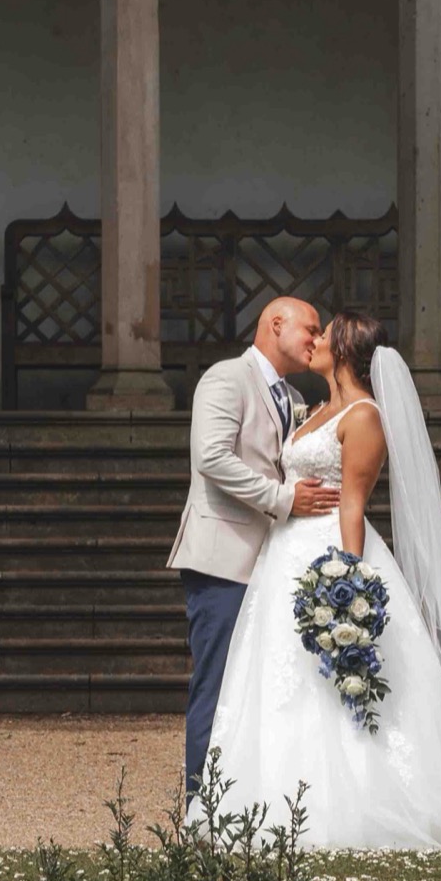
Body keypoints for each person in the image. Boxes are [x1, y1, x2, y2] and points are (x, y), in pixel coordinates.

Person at [202, 309, 441, 850]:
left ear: (344, 350)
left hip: (326, 554)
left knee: (330, 685)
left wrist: (348, 579)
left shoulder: (363, 416)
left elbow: (353, 506)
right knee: (276, 683)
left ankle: (355, 806)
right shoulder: (311, 409)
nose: (314, 341)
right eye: (310, 330)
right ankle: (266, 804)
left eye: (324, 334)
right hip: (281, 556)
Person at [168, 296, 342, 799]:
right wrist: (283, 499)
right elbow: (212, 458)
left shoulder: (289, 394)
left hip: (270, 563)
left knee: (258, 691)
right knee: (217, 683)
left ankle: (244, 799)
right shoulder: (226, 378)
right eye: (310, 329)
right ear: (275, 323)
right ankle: (200, 803)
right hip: (223, 557)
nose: (315, 339)